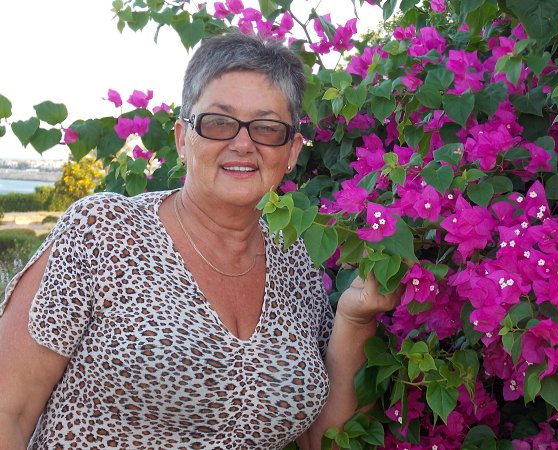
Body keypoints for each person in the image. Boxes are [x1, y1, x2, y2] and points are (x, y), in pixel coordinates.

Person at [0, 32, 400, 449]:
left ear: (292, 151)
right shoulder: (103, 231)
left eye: (266, 128)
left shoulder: (297, 263)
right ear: (181, 139)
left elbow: (323, 440)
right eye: (218, 123)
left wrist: (355, 319)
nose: (242, 144)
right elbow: (8, 411)